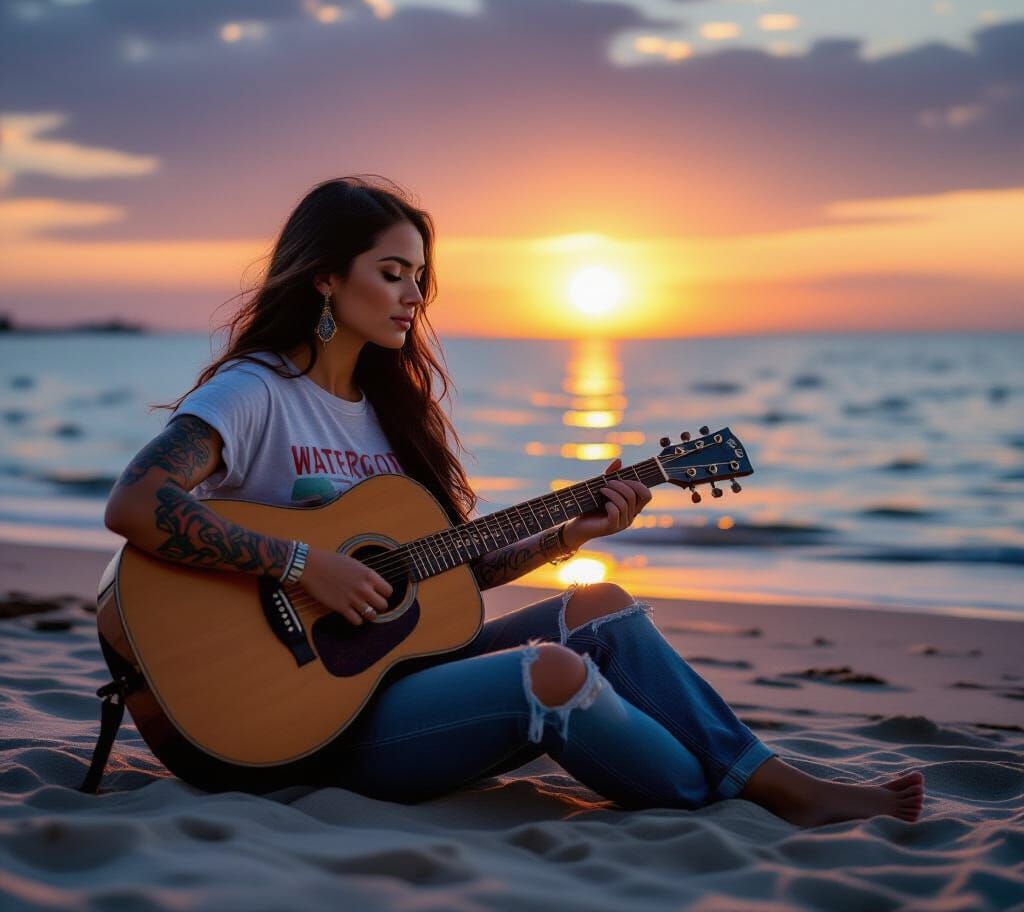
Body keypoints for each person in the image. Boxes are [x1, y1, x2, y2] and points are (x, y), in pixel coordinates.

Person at [103, 176, 925, 827]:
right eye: (391, 274)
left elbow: (439, 585)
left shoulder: (395, 421)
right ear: (324, 277)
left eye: (419, 279)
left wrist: (572, 532)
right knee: (550, 676)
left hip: (387, 685)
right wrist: (304, 562)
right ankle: (741, 799)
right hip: (283, 726)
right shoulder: (257, 392)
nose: (411, 296)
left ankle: (767, 779)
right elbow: (137, 502)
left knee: (599, 604)